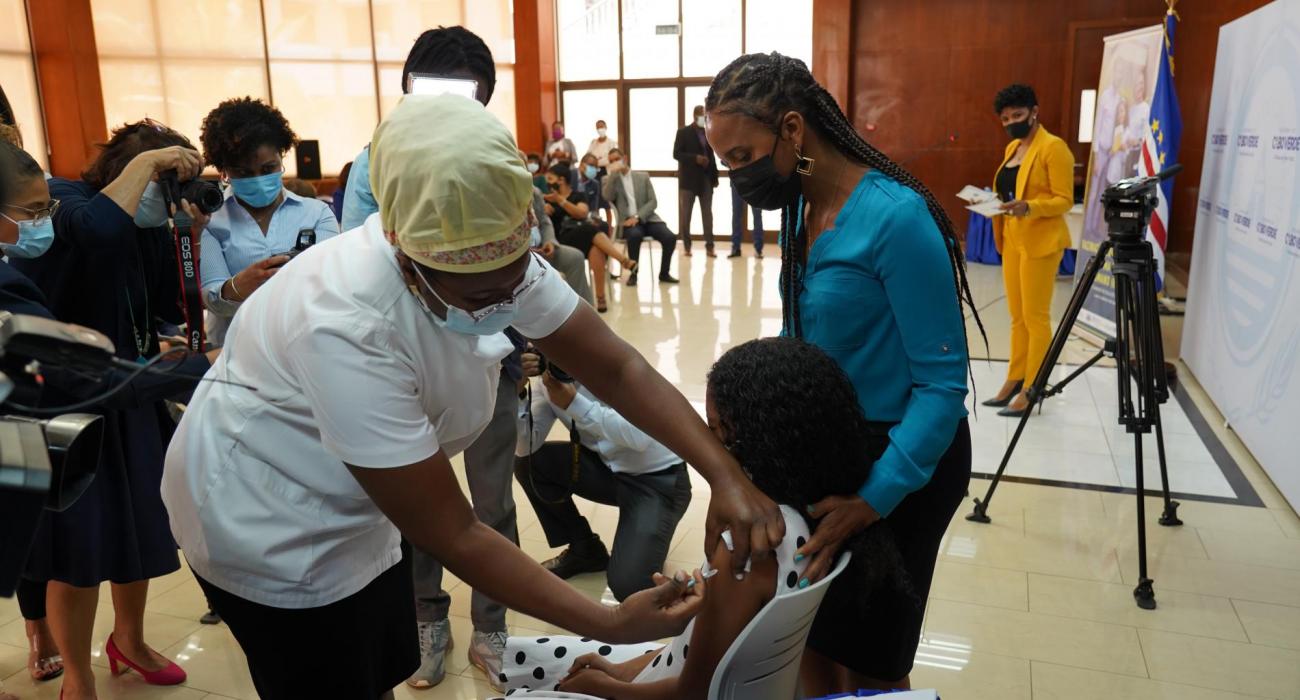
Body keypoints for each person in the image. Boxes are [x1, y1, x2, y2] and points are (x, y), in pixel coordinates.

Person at [161, 94, 781, 700]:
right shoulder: (345, 324)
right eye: (477, 297)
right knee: (330, 670)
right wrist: (609, 623)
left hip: (358, 503)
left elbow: (616, 368)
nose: (502, 306)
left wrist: (723, 475)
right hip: (268, 516)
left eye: (513, 283)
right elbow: (455, 530)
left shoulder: (485, 250)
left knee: (379, 657)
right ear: (407, 258)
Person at [705, 52, 980, 694]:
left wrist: (873, 498)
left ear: (794, 130)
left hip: (904, 461)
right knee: (807, 638)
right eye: (725, 163)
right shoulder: (802, 209)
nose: (736, 178)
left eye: (742, 157)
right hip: (832, 452)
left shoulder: (896, 218)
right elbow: (801, 339)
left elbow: (941, 389)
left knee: (873, 659)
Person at [498, 337, 909, 698]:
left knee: (518, 664)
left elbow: (692, 691)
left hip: (672, 677)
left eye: (716, 432)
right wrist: (622, 671)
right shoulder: (828, 518)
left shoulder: (748, 546)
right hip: (670, 662)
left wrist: (604, 687)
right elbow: (694, 654)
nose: (707, 447)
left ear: (760, 442)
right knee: (520, 658)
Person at [337, 27, 536, 689]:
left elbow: (529, 267)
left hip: (492, 358)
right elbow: (367, 270)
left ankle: (491, 630)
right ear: (406, 88)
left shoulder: (500, 155)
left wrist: (523, 347)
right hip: (406, 366)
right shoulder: (372, 164)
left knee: (491, 505)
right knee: (419, 512)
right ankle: (427, 628)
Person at [11, 120, 219, 700]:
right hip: (63, 401)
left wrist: (184, 236)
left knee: (137, 531)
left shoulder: (150, 225)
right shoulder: (63, 198)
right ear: (125, 173)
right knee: (74, 548)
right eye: (161, 179)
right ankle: (78, 677)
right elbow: (99, 233)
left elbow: (160, 306)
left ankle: (129, 639)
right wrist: (143, 171)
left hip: (129, 392)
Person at [513, 347, 691, 601]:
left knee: (629, 588)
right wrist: (519, 393)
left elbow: (639, 437)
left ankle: (644, 537)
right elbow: (524, 446)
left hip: (657, 482)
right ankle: (585, 550)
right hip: (609, 473)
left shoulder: (617, 366)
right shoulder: (549, 381)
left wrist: (575, 404)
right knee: (530, 464)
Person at [198, 97, 340, 348]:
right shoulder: (211, 221)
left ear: (282, 157)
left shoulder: (317, 213)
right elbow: (212, 298)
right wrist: (238, 287)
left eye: (268, 168)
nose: (258, 179)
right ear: (224, 171)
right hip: (235, 351)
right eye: (243, 173)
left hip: (306, 346)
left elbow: (334, 282)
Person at [342, 25, 497, 232]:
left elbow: (523, 239)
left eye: (467, 104)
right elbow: (356, 243)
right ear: (409, 90)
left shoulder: (496, 159)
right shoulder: (372, 163)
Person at [982, 84, 1074, 417]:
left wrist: (1030, 207)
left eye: (1018, 115)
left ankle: (1033, 388)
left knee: (1036, 319)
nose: (1011, 122)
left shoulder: (1054, 148)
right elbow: (1007, 190)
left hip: (1041, 243)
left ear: (1034, 112)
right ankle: (1014, 378)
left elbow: (1064, 199)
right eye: (1005, 118)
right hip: (1013, 240)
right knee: (1017, 318)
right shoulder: (1012, 148)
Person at [544, 162, 636, 313]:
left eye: (550, 178)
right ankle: (623, 260)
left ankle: (599, 299)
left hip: (581, 237)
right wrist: (544, 206)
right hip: (560, 240)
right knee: (590, 229)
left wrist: (560, 200)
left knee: (596, 248)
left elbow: (581, 213)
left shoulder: (577, 195)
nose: (548, 181)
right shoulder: (546, 197)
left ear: (561, 179)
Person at [602, 148, 678, 286]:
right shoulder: (609, 180)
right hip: (627, 223)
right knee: (635, 236)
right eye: (611, 161)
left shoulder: (643, 177)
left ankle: (664, 273)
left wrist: (638, 217)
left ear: (624, 159)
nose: (614, 163)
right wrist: (613, 174)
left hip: (648, 218)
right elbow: (607, 197)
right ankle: (634, 274)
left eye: (616, 159)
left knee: (670, 237)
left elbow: (653, 201)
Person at [673, 105, 719, 257]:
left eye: (705, 116)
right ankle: (687, 246)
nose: (703, 119)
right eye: (701, 116)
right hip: (688, 181)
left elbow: (712, 156)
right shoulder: (683, 132)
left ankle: (710, 246)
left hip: (706, 179)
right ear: (694, 116)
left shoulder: (709, 132)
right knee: (686, 215)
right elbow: (677, 153)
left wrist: (715, 177)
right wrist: (695, 158)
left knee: (708, 214)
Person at [729, 177, 764, 258]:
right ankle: (736, 248)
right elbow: (723, 163)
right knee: (736, 214)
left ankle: (758, 249)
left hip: (754, 182)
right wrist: (731, 164)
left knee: (757, 214)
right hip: (737, 181)